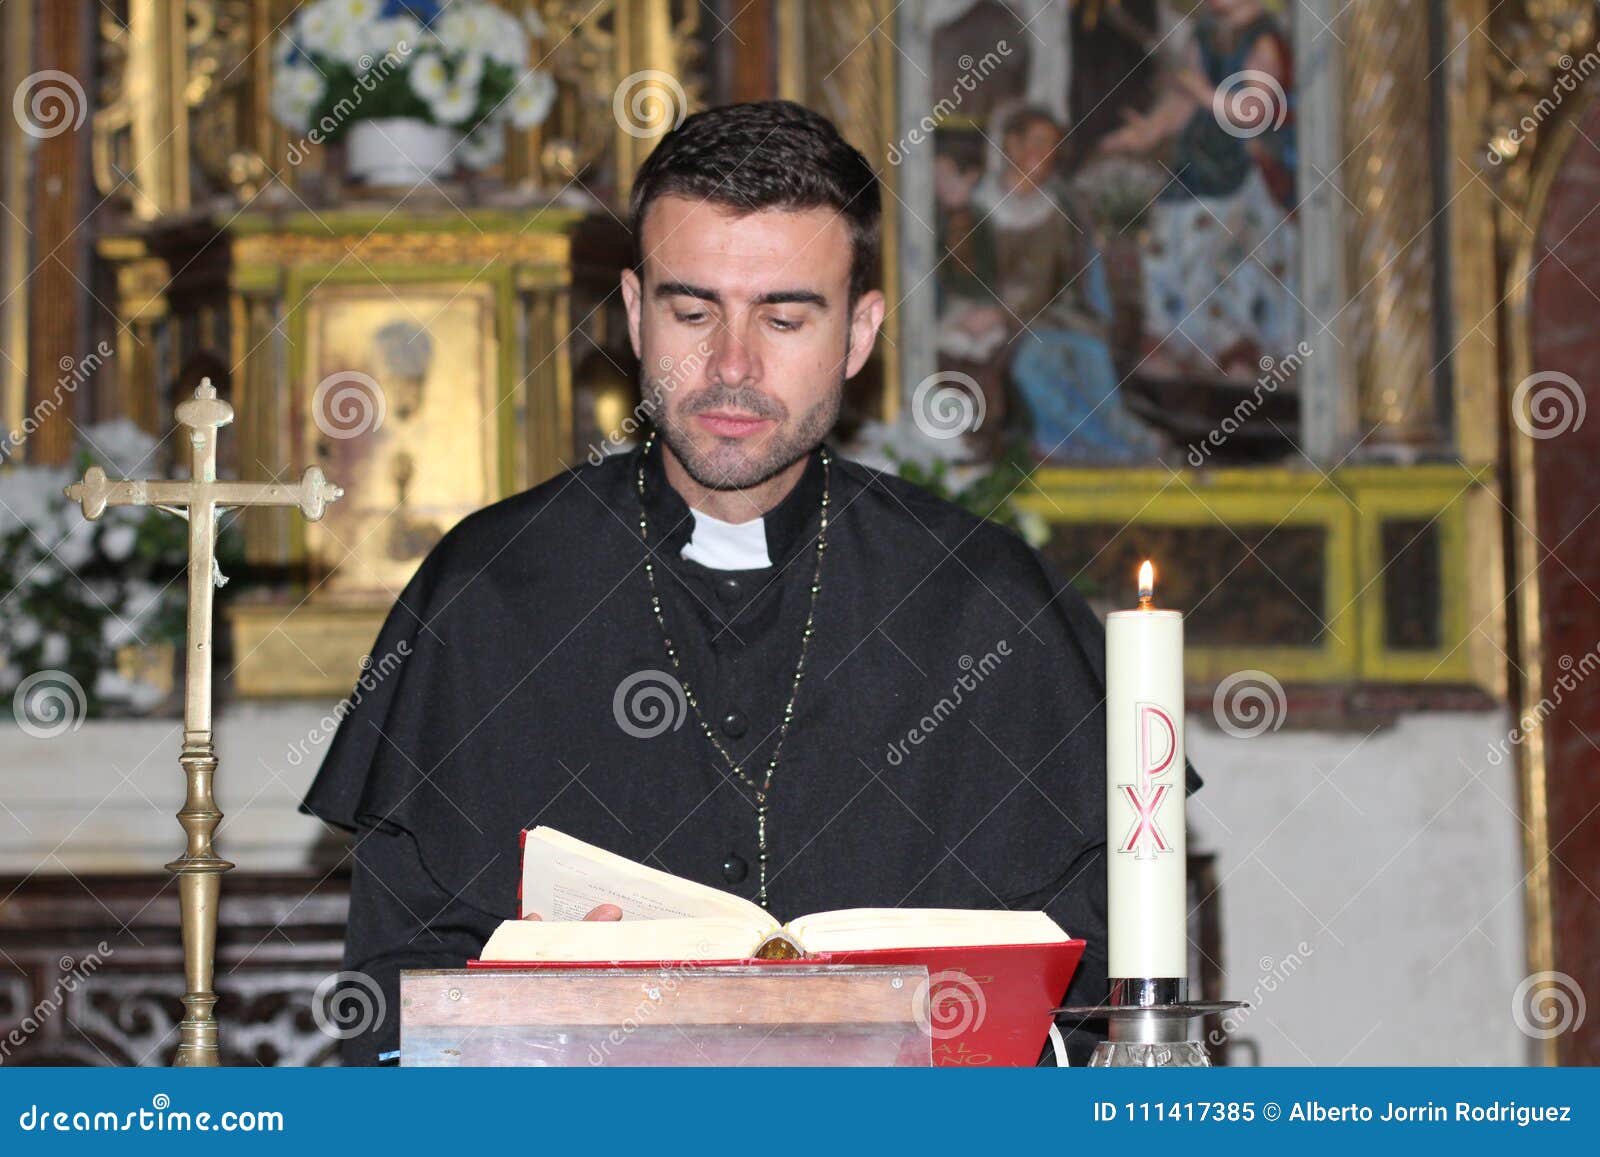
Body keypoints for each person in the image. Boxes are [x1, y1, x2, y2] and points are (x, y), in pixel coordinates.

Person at [298, 99, 1202, 1066]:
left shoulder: (985, 601)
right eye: (693, 312)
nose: (732, 366)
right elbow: (393, 1010)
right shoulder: (485, 594)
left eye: (783, 316)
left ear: (859, 334)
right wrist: (548, 1012)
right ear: (638, 314)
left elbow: (1101, 1007)